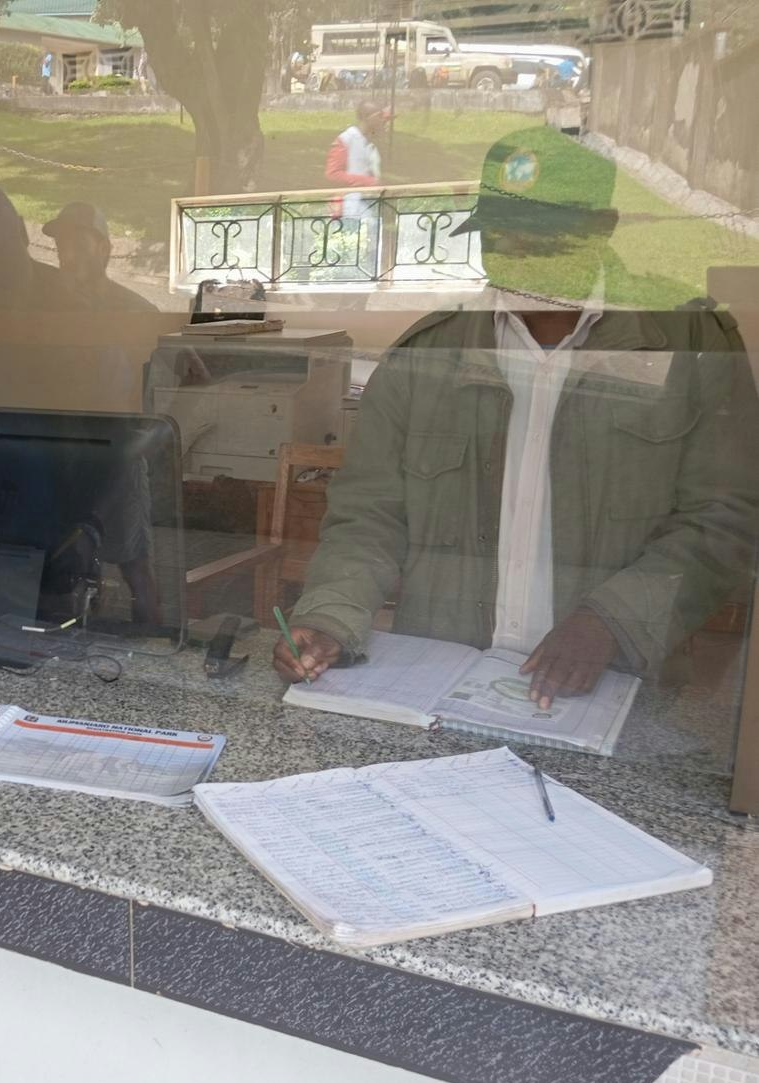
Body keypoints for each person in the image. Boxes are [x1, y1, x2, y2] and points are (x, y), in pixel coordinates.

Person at [274, 127, 759, 708]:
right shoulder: (428, 355)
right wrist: (332, 616)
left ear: (602, 227)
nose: (517, 251)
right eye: (499, 232)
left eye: (543, 233)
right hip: (443, 680)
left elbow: (725, 519)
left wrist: (614, 621)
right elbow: (368, 515)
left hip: (615, 688)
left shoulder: (686, 344)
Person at [43, 201, 158, 314]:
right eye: (61, 244)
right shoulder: (49, 305)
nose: (66, 255)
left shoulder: (139, 312)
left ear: (103, 249)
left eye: (79, 245)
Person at [325, 100, 391, 219]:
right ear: (367, 118)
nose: (383, 121)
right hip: (351, 208)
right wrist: (368, 182)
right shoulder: (346, 139)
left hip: (371, 204)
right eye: (379, 116)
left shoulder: (371, 142)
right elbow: (333, 174)